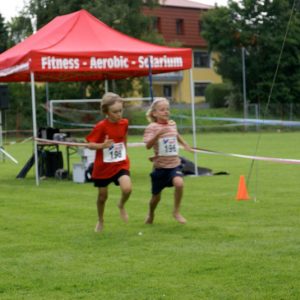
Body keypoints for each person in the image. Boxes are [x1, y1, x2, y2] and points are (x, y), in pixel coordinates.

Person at [86, 92, 132, 233]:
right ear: (106, 111)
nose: (119, 114)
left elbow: (123, 138)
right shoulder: (101, 126)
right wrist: (102, 146)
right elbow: (89, 144)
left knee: (127, 189)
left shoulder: (124, 123)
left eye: (120, 110)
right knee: (102, 196)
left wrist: (124, 151)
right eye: (115, 112)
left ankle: (121, 204)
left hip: (120, 163)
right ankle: (100, 220)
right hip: (103, 167)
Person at [143, 97, 192, 225]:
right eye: (162, 110)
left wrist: (185, 144)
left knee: (179, 183)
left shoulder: (172, 124)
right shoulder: (152, 127)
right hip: (160, 168)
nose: (166, 112)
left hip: (174, 165)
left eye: (167, 109)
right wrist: (158, 134)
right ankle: (151, 214)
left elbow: (176, 134)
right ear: (154, 113)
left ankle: (176, 212)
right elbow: (147, 146)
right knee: (155, 198)